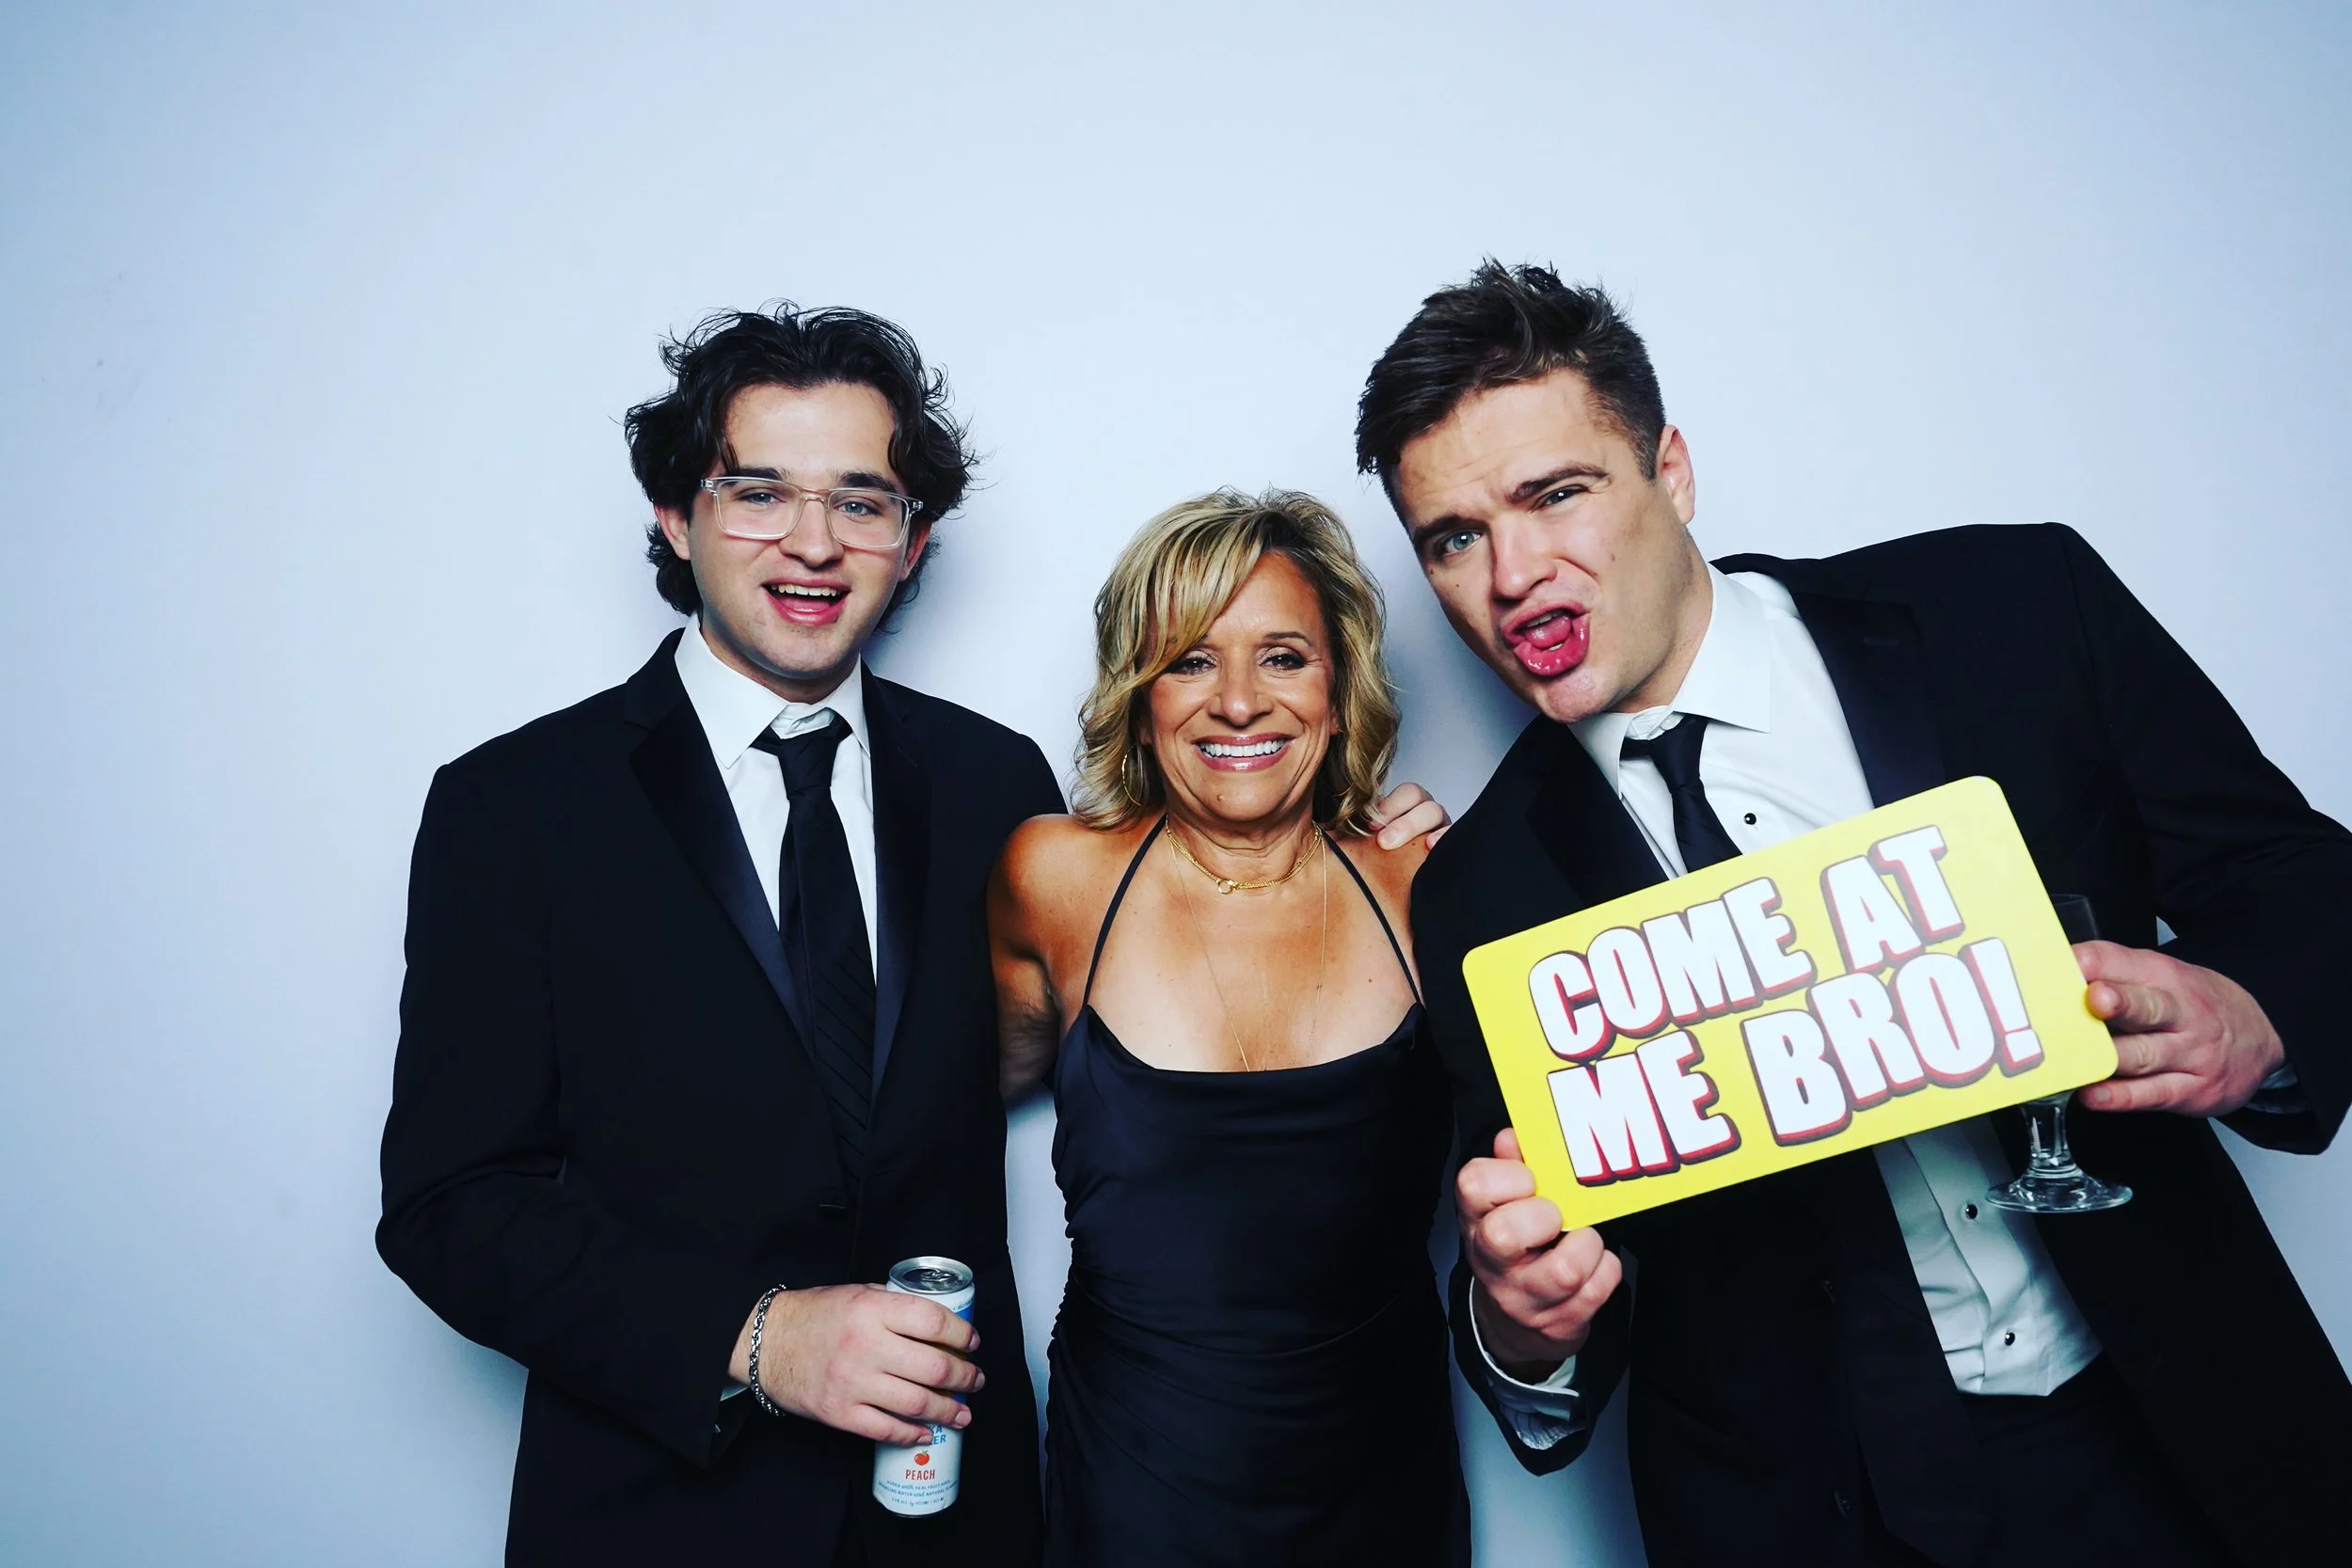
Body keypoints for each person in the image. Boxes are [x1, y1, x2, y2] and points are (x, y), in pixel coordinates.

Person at [1358, 263, 2352, 1567]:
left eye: (1557, 494)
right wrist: (1521, 1321)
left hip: (2185, 1436)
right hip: (1818, 1513)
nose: (1513, 574)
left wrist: (2255, 1013)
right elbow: (1552, 1278)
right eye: (1454, 536)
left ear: (1672, 470)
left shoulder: (2013, 613)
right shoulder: (1483, 897)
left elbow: (2296, 880)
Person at [990, 490, 1470, 1566]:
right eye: (1192, 660)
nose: (1239, 703)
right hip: (1137, 1476)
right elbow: (944, 1104)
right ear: (1140, 693)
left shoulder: (1426, 887)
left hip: (1380, 1475)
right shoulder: (1054, 877)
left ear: (1340, 692)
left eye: (1284, 657)